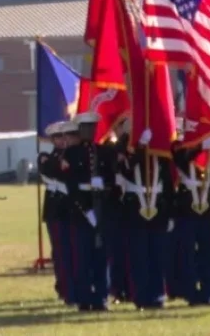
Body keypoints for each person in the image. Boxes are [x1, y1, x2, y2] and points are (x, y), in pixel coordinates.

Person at [118, 126, 175, 310]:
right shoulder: (123, 146)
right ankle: (141, 296)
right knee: (139, 255)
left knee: (157, 254)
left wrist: (170, 212)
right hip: (135, 207)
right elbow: (124, 169)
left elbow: (167, 181)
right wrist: (141, 146)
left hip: (157, 206)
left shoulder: (160, 146)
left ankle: (158, 295)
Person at [62, 112, 113, 312]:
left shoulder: (103, 152)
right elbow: (71, 186)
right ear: (80, 130)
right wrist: (85, 210)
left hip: (101, 206)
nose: (89, 132)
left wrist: (105, 186)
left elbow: (112, 177)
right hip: (81, 211)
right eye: (85, 128)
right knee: (82, 257)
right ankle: (84, 299)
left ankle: (100, 298)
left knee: (101, 257)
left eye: (92, 128)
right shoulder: (71, 154)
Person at [170, 118, 210, 306]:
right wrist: (200, 147)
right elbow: (182, 161)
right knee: (188, 254)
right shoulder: (177, 146)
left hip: (206, 205)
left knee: (208, 253)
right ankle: (191, 292)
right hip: (186, 207)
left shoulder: (209, 149)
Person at [38, 121, 75, 306]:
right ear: (52, 140)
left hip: (73, 210)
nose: (62, 140)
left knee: (75, 251)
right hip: (55, 211)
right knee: (60, 253)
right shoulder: (46, 156)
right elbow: (49, 169)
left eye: (65, 136)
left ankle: (75, 287)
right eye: (58, 137)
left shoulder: (75, 155)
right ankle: (64, 288)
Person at [103, 123, 131, 304]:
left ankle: (130, 289)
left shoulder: (131, 145)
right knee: (114, 252)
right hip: (113, 206)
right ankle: (117, 289)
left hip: (132, 204)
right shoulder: (107, 148)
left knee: (131, 252)